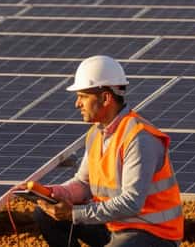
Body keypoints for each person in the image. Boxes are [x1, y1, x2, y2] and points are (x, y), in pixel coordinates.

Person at [30, 55, 183, 247]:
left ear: (106, 98)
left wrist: (74, 214)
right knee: (44, 215)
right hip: (115, 225)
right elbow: (83, 184)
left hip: (152, 233)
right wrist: (53, 194)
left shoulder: (139, 138)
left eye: (83, 96)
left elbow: (131, 203)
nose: (77, 104)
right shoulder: (97, 134)